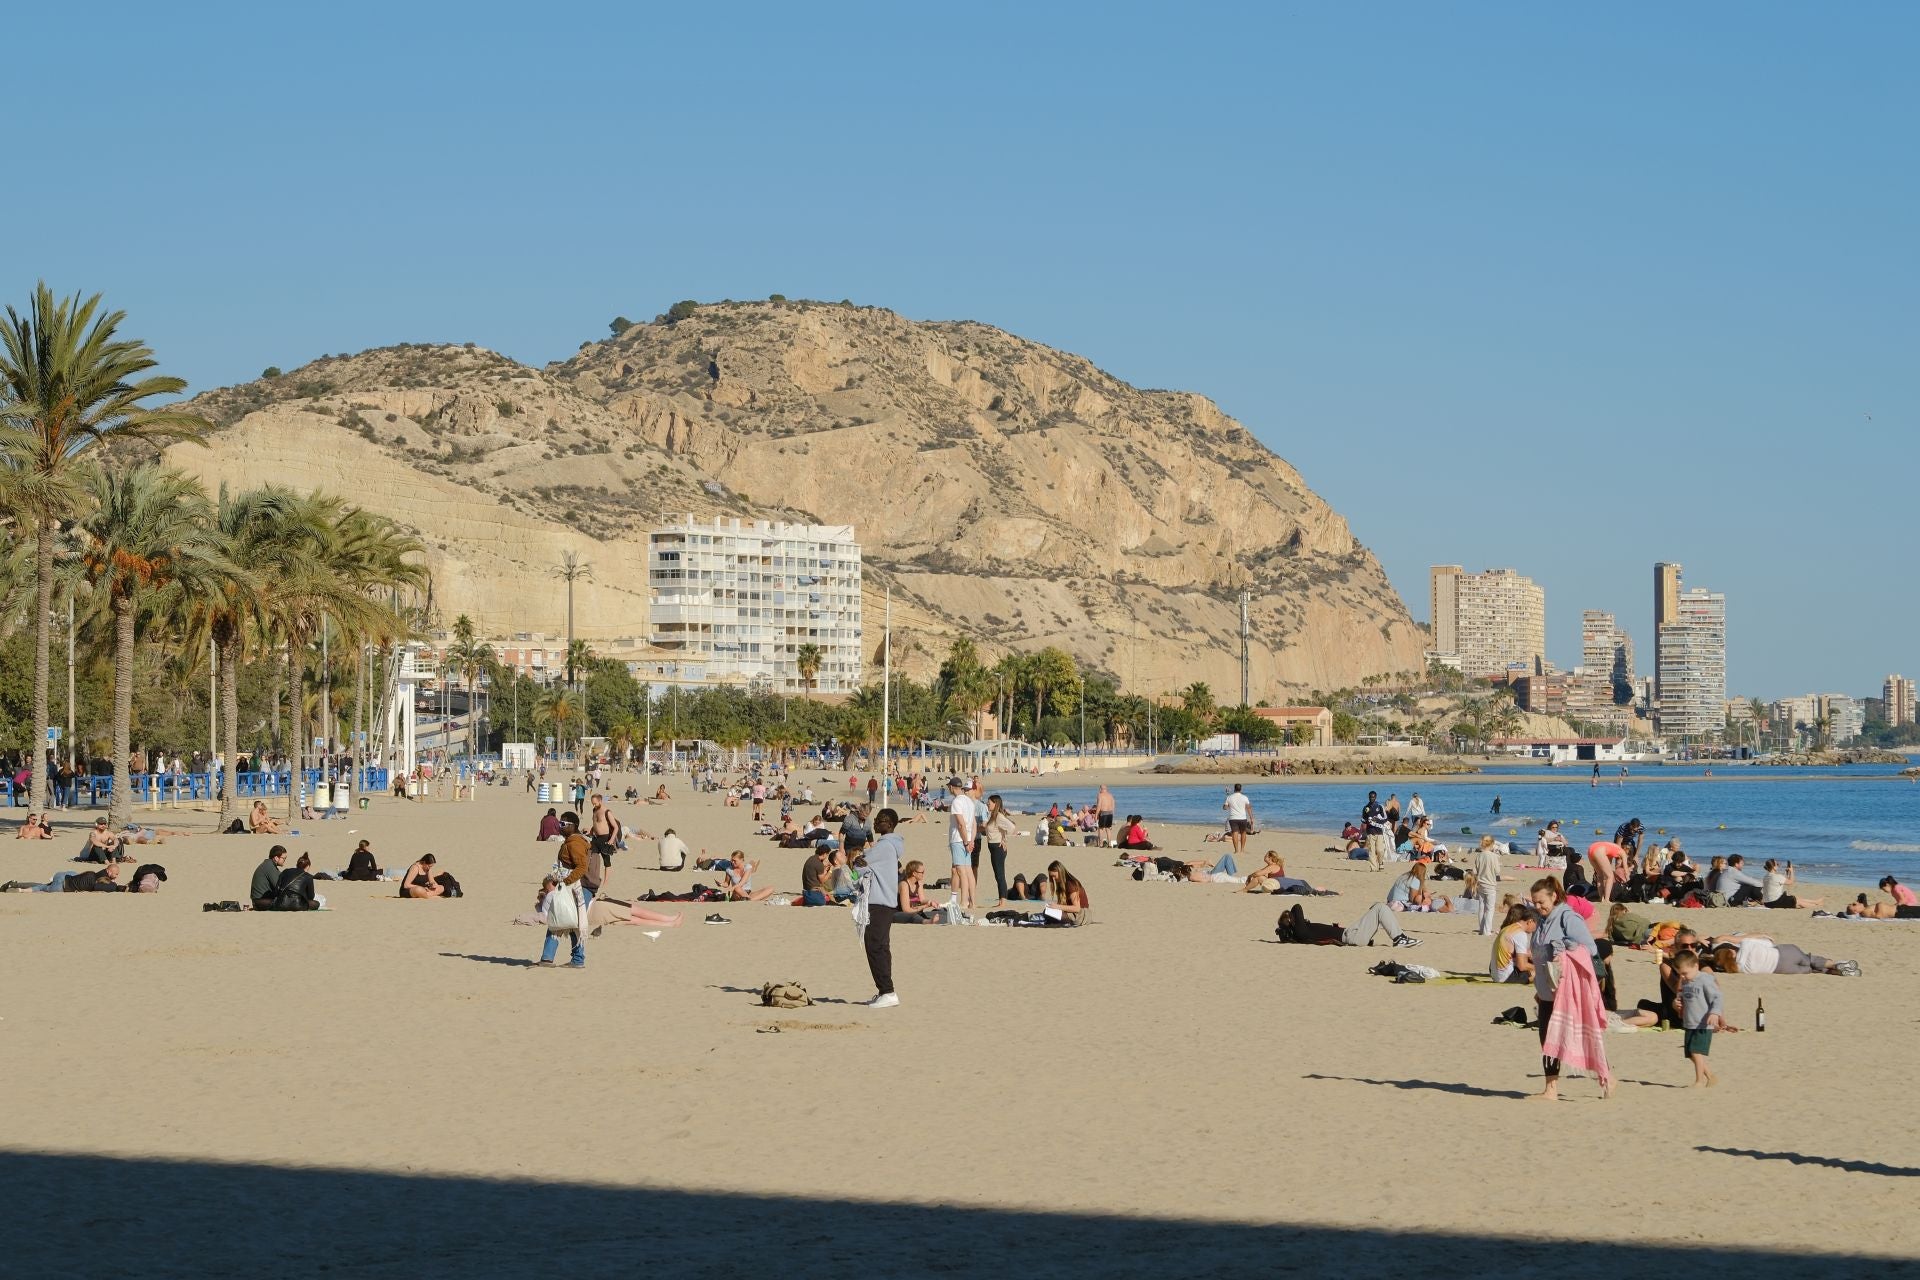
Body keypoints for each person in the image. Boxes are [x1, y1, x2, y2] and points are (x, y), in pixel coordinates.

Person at [1528, 876, 1610, 1101]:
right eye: (1534, 902)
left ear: (1554, 897)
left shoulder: (1567, 918)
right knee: (1548, 1041)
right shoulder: (1541, 920)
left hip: (1568, 992)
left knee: (1582, 1037)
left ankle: (1607, 1077)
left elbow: (1590, 948)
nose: (1537, 907)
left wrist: (1565, 947)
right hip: (1546, 992)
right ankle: (1550, 1089)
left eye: (1541, 902)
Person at [861, 808, 903, 1007]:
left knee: (875, 946)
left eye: (881, 820)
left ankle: (887, 991)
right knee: (881, 947)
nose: (876, 822)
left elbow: (860, 865)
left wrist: (857, 861)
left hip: (879, 903)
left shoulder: (885, 847)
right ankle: (884, 990)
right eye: (877, 819)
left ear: (890, 824)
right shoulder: (888, 846)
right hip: (884, 903)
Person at [1672, 949, 1725, 1087]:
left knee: (1696, 1052)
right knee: (1690, 1053)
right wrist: (1676, 1004)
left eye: (1685, 973)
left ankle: (1699, 1081)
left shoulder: (1705, 980)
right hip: (1690, 1022)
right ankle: (1711, 1076)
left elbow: (1717, 997)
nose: (1682, 977)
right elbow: (1682, 998)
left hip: (1703, 1023)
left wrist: (1715, 1013)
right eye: (1680, 974)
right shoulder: (1685, 982)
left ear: (1696, 966)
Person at [1272, 900, 1420, 947]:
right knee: (1381, 907)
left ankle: (1399, 937)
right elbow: (1297, 906)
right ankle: (1399, 938)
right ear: (1292, 922)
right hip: (1352, 937)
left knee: (1377, 907)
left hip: (1350, 932)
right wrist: (1290, 916)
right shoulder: (1300, 931)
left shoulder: (1301, 931)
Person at [1707, 933, 1859, 977]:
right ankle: (1835, 964)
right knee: (1809, 959)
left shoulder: (1739, 969)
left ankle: (1836, 972)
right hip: (1783, 954)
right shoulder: (1746, 945)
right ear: (1732, 952)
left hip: (1781, 970)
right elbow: (1769, 944)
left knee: (1811, 969)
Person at [537, 874, 587, 968]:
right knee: (576, 931)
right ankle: (578, 959)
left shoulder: (550, 896)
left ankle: (547, 958)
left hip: (557, 921)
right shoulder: (562, 892)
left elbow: (545, 913)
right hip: (572, 915)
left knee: (552, 931)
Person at [945, 777, 978, 912]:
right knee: (968, 871)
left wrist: (966, 841)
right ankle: (973, 902)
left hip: (959, 839)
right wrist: (971, 840)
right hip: (967, 838)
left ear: (952, 787)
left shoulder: (957, 801)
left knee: (961, 871)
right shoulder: (969, 801)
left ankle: (964, 901)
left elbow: (960, 824)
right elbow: (974, 824)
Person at [983, 794, 1018, 906]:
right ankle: (1001, 900)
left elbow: (1012, 827)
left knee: (1000, 875)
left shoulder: (998, 816)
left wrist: (1004, 839)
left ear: (995, 803)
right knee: (997, 874)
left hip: (998, 848)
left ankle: (1003, 901)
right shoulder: (992, 816)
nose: (988, 804)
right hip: (993, 848)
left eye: (989, 802)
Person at [1491, 903, 1537, 982]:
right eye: (1536, 924)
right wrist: (1540, 968)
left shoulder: (1507, 929)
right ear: (1530, 921)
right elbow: (1521, 966)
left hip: (1495, 973)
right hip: (1505, 976)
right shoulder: (1520, 934)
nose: (1535, 928)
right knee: (1540, 974)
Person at [1040, 860, 1090, 925]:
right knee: (1047, 912)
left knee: (1047, 913)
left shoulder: (1071, 884)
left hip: (1081, 915)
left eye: (1054, 876)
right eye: (1051, 877)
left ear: (1060, 872)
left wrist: (1057, 907)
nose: (1053, 879)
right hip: (1072, 913)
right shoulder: (1062, 883)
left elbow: (1077, 908)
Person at [1471, 835, 1502, 935]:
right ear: (1492, 844)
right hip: (1490, 884)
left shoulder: (1479, 855)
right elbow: (1497, 871)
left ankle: (1481, 928)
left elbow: (1474, 871)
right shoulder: (1494, 856)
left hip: (1480, 884)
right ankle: (1487, 930)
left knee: (1481, 907)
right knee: (1490, 908)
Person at [556, 814, 591, 902]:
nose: (559, 826)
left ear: (572, 826)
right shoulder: (570, 841)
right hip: (572, 884)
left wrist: (565, 882)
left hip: (576, 887)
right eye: (559, 823)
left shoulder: (575, 844)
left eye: (562, 824)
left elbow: (582, 867)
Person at [1361, 791, 1391, 870]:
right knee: (1371, 851)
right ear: (1368, 797)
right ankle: (1373, 868)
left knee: (1380, 850)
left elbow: (1385, 818)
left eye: (1373, 797)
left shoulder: (1380, 806)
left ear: (1376, 797)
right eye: (1370, 797)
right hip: (1370, 832)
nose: (1372, 798)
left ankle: (1381, 863)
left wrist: (1376, 820)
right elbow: (1362, 819)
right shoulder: (1365, 807)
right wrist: (1368, 820)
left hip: (1379, 832)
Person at [800, 841, 836, 907]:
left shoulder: (811, 859)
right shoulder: (819, 864)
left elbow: (815, 875)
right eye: (827, 854)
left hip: (806, 890)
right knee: (828, 899)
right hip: (813, 892)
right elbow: (822, 880)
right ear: (824, 854)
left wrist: (824, 870)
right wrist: (830, 871)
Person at [1223, 784, 1253, 859]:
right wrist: (1251, 818)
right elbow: (1248, 808)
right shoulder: (1245, 797)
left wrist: (1227, 805)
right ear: (1241, 789)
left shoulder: (1229, 797)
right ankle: (1242, 850)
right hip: (1242, 817)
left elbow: (1225, 808)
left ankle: (1236, 850)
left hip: (1233, 818)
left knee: (1235, 833)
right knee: (1243, 833)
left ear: (1234, 789)